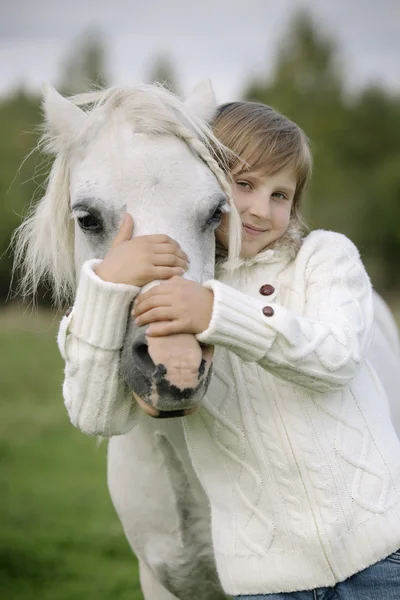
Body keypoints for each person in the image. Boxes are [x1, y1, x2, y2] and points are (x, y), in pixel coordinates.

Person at [59, 101, 400, 599]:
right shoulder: (183, 289)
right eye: (243, 185)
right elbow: (95, 415)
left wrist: (215, 313)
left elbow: (337, 357)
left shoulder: (326, 259)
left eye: (280, 193)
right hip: (267, 583)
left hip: (378, 559)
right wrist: (104, 284)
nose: (261, 208)